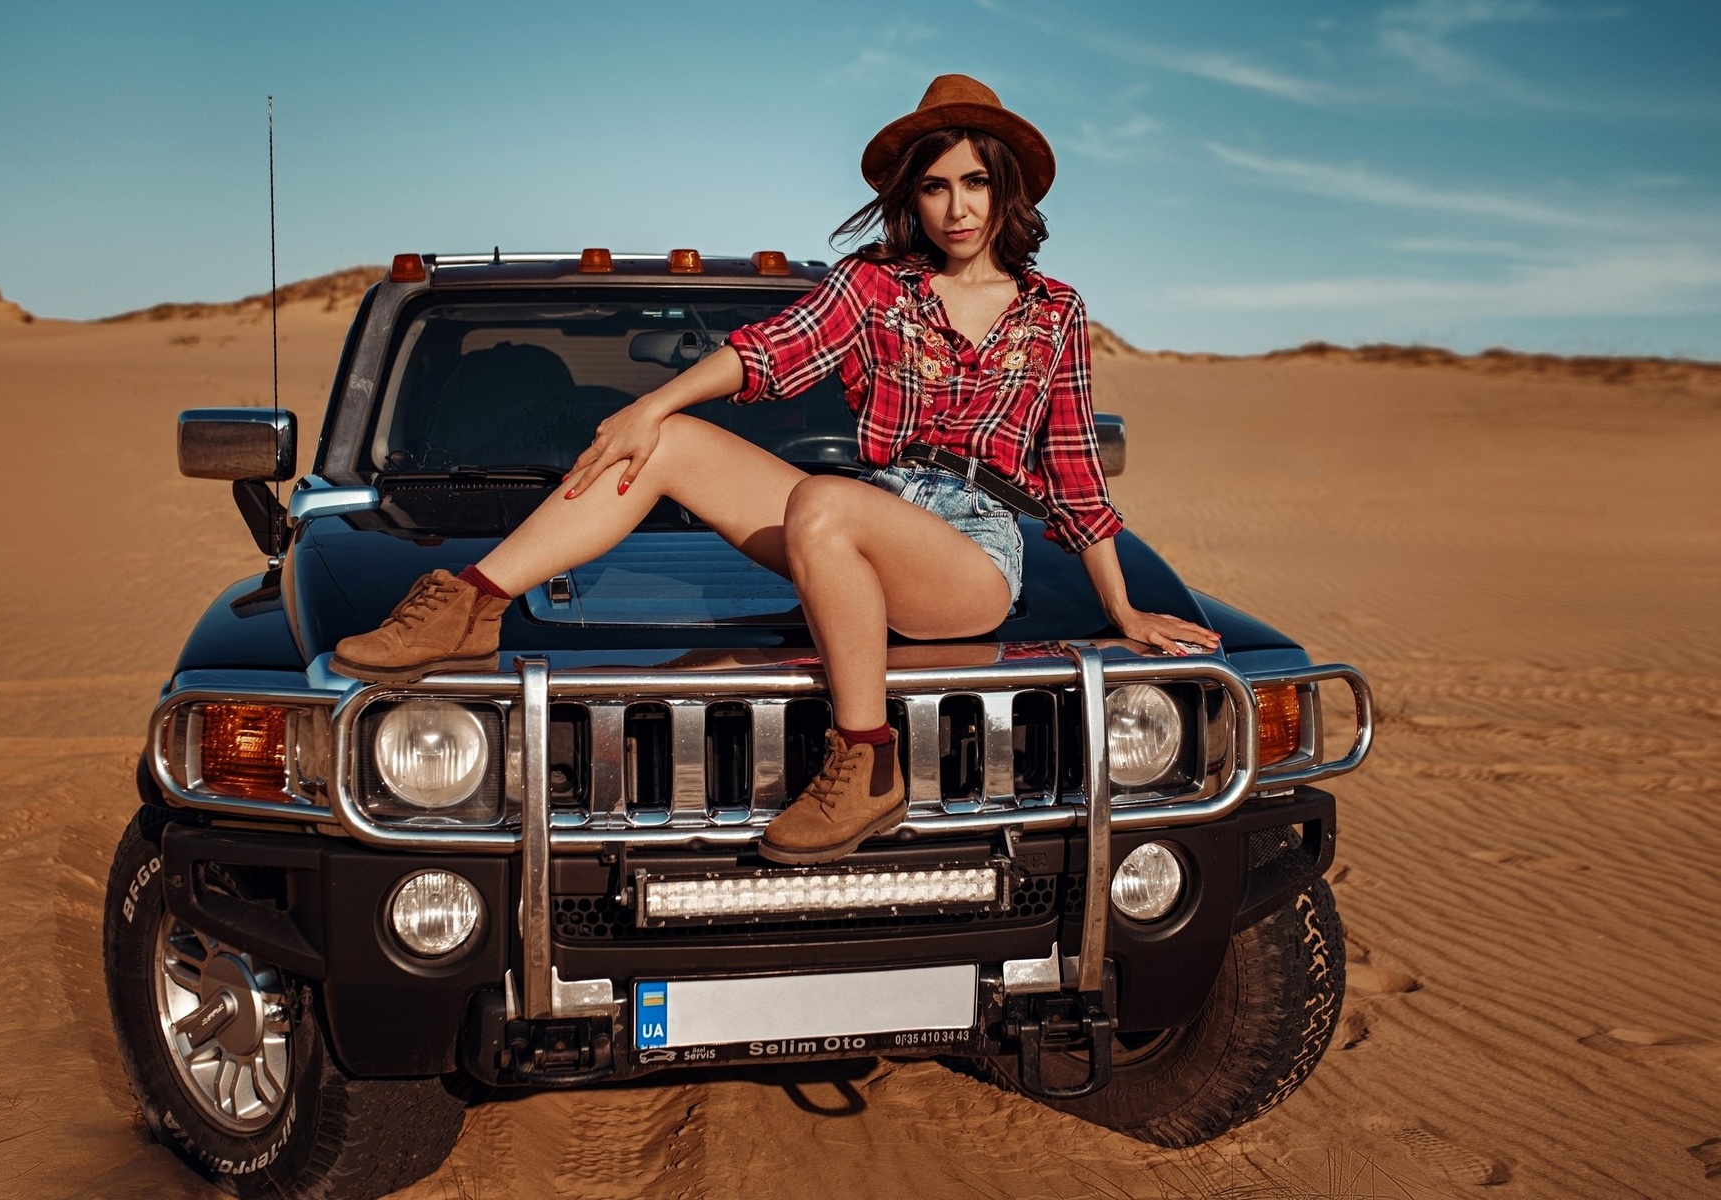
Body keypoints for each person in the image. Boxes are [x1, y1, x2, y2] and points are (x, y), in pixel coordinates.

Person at [332, 74, 1220, 864]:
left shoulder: (1053, 312)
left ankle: (866, 760)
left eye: (976, 183)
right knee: (669, 442)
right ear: (913, 197)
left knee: (829, 505)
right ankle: (471, 603)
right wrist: (651, 404)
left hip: (970, 553)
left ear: (1005, 190)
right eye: (937, 185)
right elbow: (770, 351)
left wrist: (1122, 607)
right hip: (863, 517)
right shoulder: (875, 285)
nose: (957, 207)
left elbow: (1072, 471)